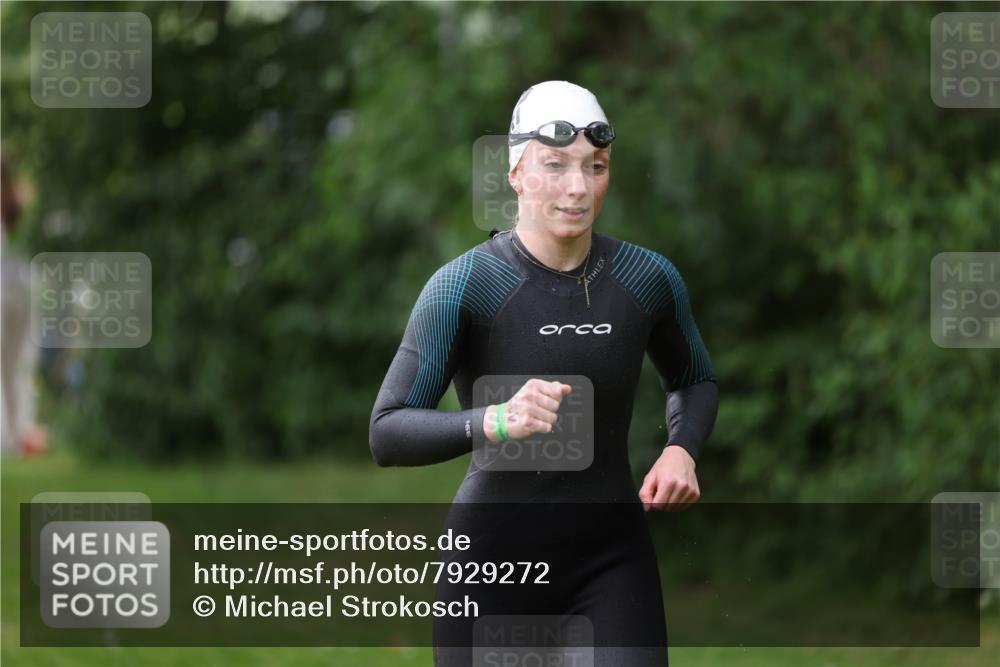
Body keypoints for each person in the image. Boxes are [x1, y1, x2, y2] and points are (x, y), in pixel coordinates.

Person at [370, 81, 718, 666]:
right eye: (555, 165)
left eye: (596, 166)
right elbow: (387, 431)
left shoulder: (646, 279)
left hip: (612, 562)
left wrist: (682, 449)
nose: (578, 187)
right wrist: (495, 420)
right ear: (516, 173)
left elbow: (695, 380)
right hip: (492, 567)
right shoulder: (464, 287)